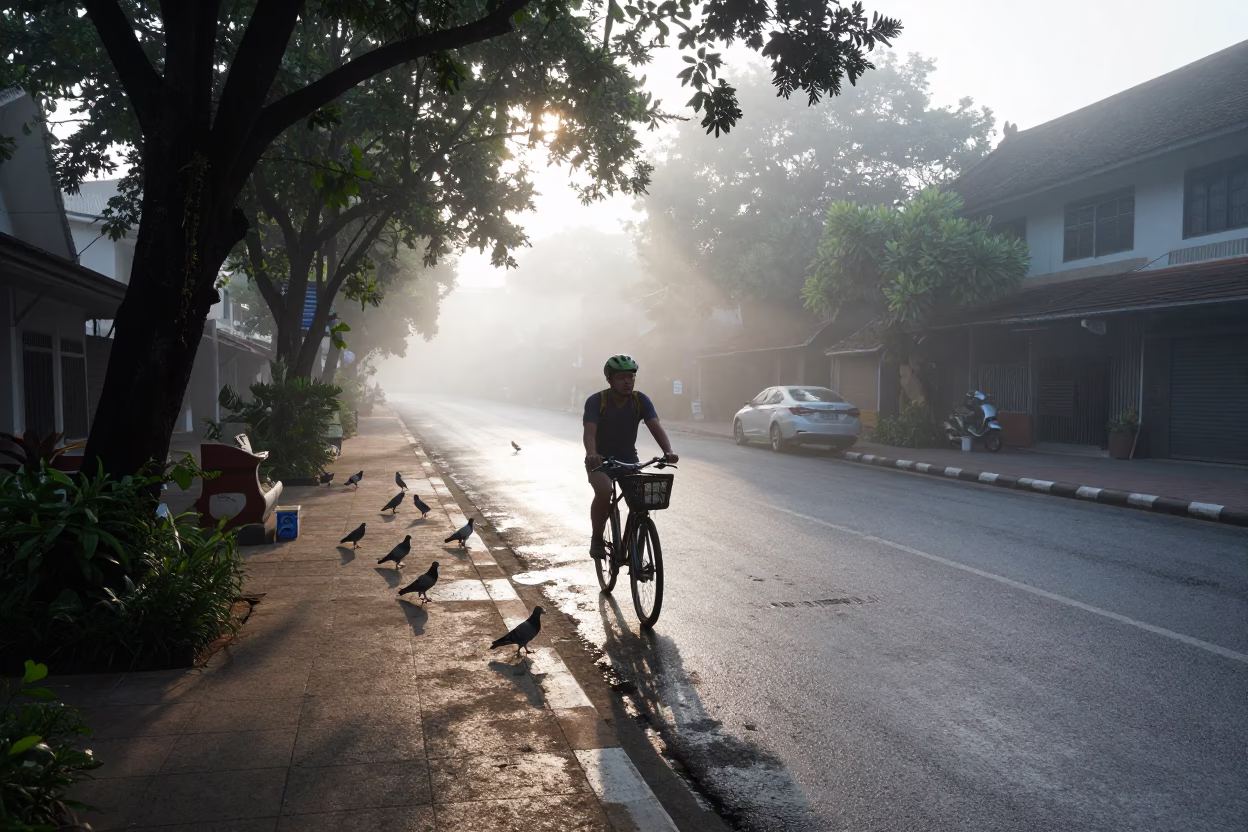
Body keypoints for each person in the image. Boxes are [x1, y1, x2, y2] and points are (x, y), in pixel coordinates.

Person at [583, 354, 679, 560]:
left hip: (628, 460)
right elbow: (589, 432)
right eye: (621, 377)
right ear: (609, 380)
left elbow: (655, 425)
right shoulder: (596, 401)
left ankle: (636, 547)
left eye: (631, 376)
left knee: (640, 502)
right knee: (605, 490)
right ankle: (597, 538)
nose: (627, 381)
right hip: (600, 460)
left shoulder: (640, 400)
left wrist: (668, 451)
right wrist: (592, 454)